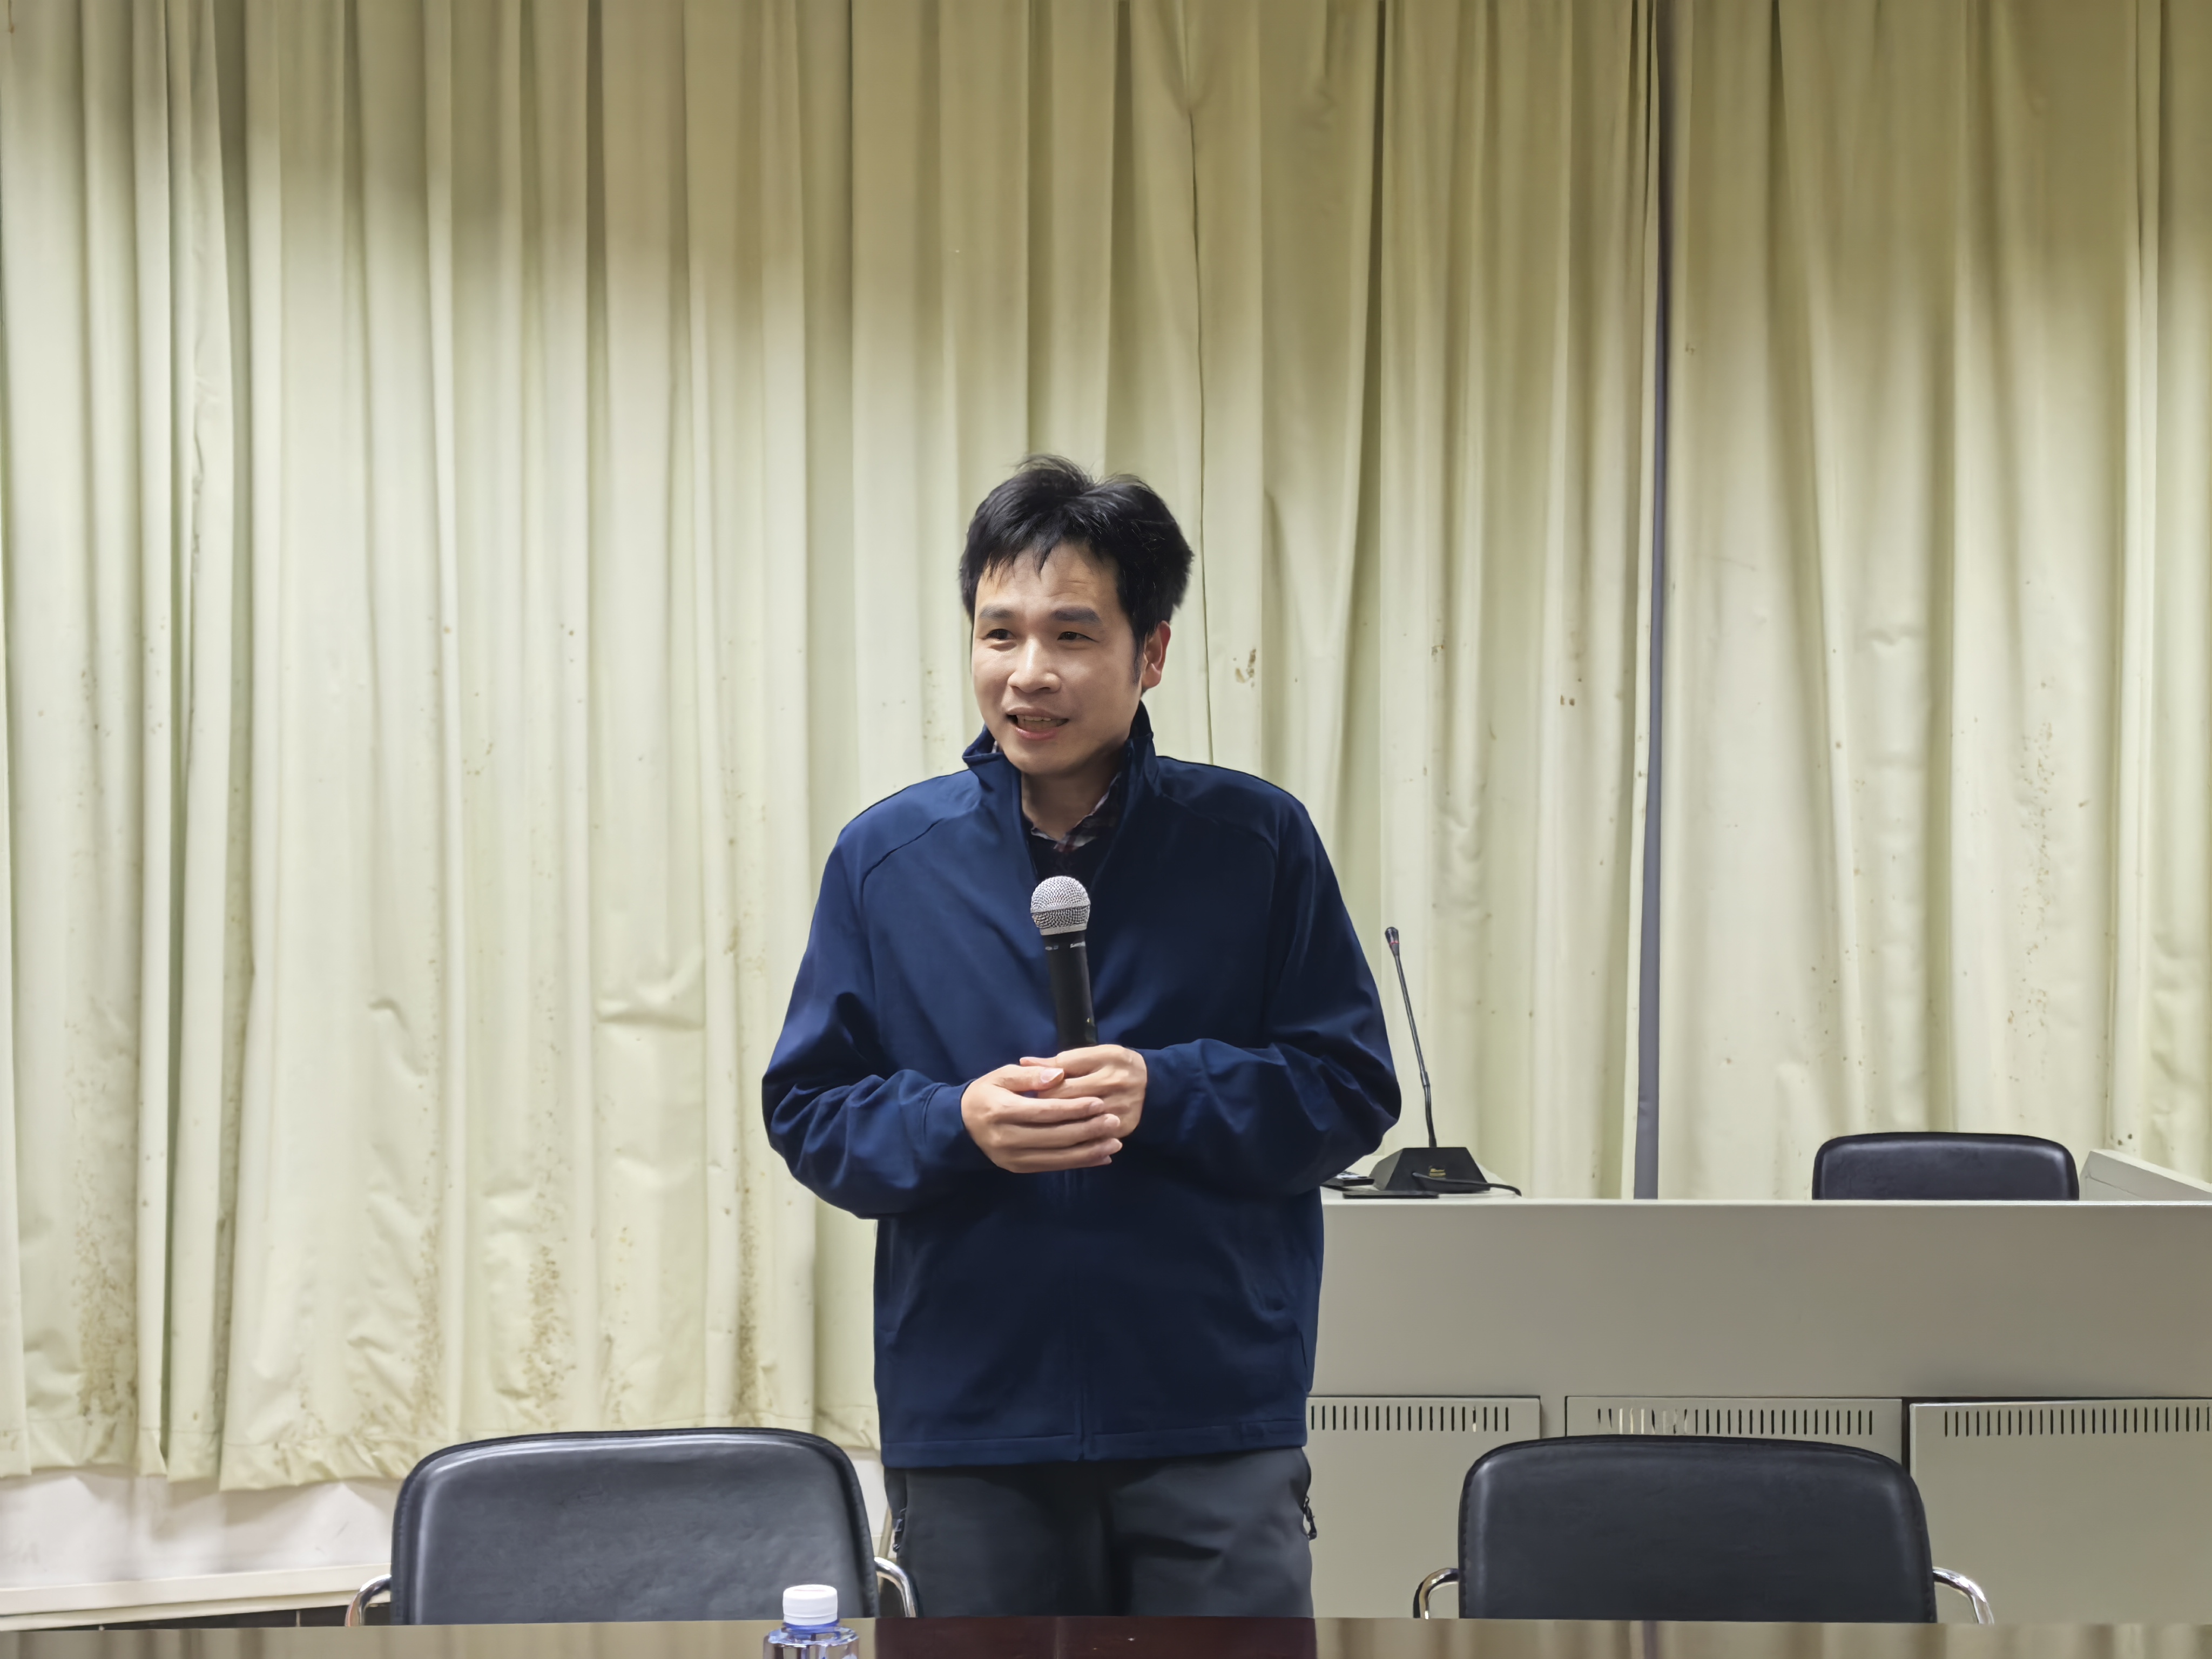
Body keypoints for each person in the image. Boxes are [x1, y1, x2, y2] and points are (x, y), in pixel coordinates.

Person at [763, 456, 1400, 1617]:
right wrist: (956, 1121)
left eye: (1071, 634)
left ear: (1150, 654)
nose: (1028, 674)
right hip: (974, 1421)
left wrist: (1168, 1092)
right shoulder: (886, 860)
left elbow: (1347, 1087)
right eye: (998, 633)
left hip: (1210, 1413)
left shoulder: (1255, 844)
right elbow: (810, 1110)